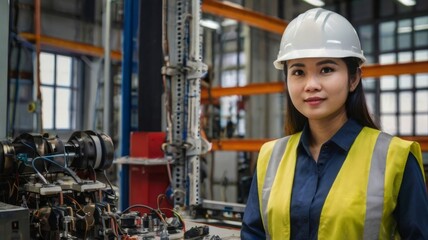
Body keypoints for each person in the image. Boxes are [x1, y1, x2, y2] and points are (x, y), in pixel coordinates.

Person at [241, 8, 428, 240]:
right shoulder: (270, 157)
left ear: (353, 79)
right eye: (298, 72)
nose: (311, 84)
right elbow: (253, 234)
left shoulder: (395, 159)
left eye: (326, 69)